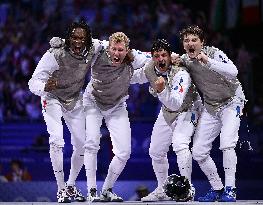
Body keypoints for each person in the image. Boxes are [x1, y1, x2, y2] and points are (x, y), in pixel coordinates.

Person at [28, 20, 102, 203]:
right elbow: (32, 82)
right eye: (74, 37)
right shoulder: (55, 54)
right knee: (57, 140)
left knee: (82, 144)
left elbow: (118, 45)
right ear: (69, 38)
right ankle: (60, 189)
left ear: (87, 39)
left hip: (74, 98)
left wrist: (153, 58)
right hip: (51, 97)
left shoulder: (94, 47)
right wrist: (45, 86)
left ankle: (70, 185)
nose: (78, 42)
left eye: (81, 38)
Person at [177, 25, 246, 202]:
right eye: (186, 40)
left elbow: (234, 71)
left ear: (202, 42)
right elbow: (163, 60)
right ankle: (217, 188)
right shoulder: (185, 60)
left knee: (227, 143)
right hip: (211, 106)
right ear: (183, 44)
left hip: (232, 102)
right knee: (199, 152)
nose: (190, 43)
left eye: (194, 40)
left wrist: (208, 61)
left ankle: (230, 189)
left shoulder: (215, 53)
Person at [83, 32, 151, 202]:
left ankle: (106, 190)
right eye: (114, 49)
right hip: (93, 102)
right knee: (92, 143)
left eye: (121, 50)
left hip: (117, 105)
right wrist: (58, 42)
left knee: (124, 152)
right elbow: (76, 41)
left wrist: (177, 58)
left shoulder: (135, 57)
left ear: (127, 50)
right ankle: (92, 191)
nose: (116, 53)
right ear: (109, 48)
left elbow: (157, 56)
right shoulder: (97, 50)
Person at [130, 39, 201, 202]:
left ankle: (187, 189)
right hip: (167, 111)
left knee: (180, 144)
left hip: (187, 109)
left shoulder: (181, 73)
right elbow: (134, 77)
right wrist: (113, 74)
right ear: (153, 58)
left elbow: (175, 103)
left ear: (170, 56)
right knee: (155, 151)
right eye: (157, 56)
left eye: (164, 55)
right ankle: (163, 189)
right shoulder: (149, 67)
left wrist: (160, 91)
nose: (161, 59)